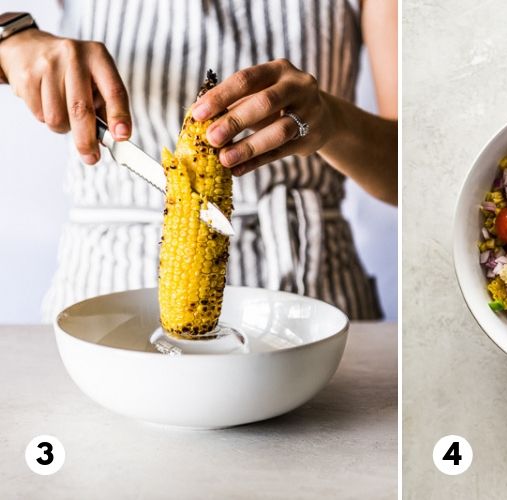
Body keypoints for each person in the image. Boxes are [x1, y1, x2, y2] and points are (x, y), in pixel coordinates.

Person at [0, 0, 397, 320]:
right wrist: (12, 38)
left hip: (311, 304)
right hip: (105, 302)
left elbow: (412, 172)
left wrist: (333, 121)